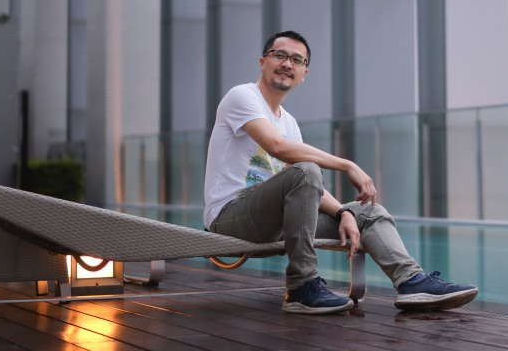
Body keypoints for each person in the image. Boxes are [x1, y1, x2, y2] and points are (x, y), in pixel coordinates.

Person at [203, 30, 479, 315]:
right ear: (263, 62)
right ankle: (301, 287)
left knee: (368, 213)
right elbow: (278, 148)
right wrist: (347, 165)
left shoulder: (289, 123)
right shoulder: (242, 96)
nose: (287, 64)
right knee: (306, 169)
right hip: (229, 217)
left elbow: (303, 186)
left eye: (297, 60)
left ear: (304, 73)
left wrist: (342, 213)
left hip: (275, 220)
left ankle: (411, 282)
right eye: (280, 55)